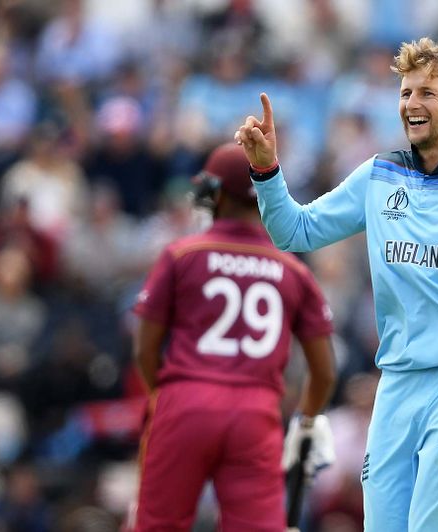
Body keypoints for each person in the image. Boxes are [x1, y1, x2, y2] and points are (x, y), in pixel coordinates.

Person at [236, 37, 438, 531]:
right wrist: (266, 170)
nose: (412, 103)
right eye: (406, 93)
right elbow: (294, 231)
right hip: (398, 383)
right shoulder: (380, 175)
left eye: (427, 92)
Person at [131, 143, 337, 531]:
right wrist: (306, 421)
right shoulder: (293, 271)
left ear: (215, 193)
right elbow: (324, 371)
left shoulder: (181, 255)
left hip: (185, 400)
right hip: (255, 413)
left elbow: (145, 349)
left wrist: (171, 398)